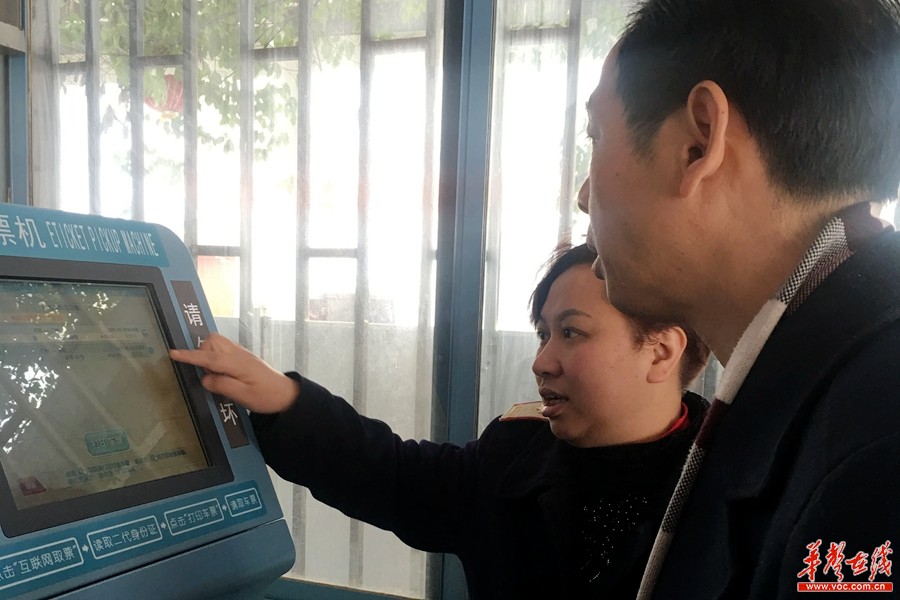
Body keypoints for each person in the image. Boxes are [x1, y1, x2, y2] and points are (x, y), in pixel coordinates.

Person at [576, 1, 900, 598]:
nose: (582, 194)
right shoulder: (832, 373)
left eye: (596, 136)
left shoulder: (874, 454)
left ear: (699, 142)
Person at [171, 243, 710, 599]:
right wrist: (285, 400)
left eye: (572, 333)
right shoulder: (516, 454)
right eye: (544, 334)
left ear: (661, 352)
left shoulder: (727, 490)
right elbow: (396, 475)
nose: (542, 362)